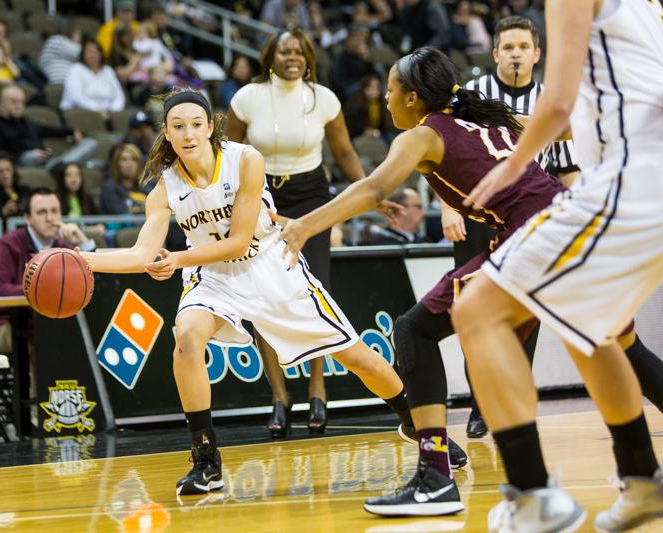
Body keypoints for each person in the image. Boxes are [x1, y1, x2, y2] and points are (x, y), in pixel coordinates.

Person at [277, 46, 663, 519]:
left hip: (533, 236)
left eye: (393, 90)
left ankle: (438, 476)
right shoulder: (489, 118)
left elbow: (375, 188)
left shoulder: (422, 136)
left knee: (415, 328)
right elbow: (562, 125)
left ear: (415, 99)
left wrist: (305, 225)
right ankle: (633, 476)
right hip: (571, 220)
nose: (390, 99)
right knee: (618, 345)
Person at [79, 88, 462, 497]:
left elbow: (241, 242)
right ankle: (206, 461)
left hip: (269, 264)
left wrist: (175, 259)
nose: (188, 133)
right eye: (178, 127)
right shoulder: (164, 188)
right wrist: (77, 260)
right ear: (167, 134)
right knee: (186, 338)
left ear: (210, 127)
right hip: (210, 275)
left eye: (195, 124)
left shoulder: (246, 159)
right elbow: (141, 253)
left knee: (358, 359)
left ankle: (417, 424)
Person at [453, 0, 663, 531]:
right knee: (589, 326)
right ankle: (642, 483)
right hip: (642, 176)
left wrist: (511, 166)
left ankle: (532, 498)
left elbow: (558, 103)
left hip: (628, 180)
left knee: (477, 311)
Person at [225, 29, 370, 437]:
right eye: (285, 50)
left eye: (300, 51)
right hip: (261, 195)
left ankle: (318, 390)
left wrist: (371, 195)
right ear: (270, 57)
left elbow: (343, 153)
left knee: (314, 292)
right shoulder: (247, 98)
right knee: (264, 295)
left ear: (309, 57)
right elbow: (228, 156)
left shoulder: (324, 98)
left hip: (311, 195)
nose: (293, 57)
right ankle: (279, 397)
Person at [450, 14, 580, 439]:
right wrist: (447, 206)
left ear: (537, 53)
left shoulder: (551, 101)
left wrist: (575, 214)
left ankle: (514, 401)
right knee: (471, 310)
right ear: (495, 54)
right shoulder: (472, 95)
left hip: (531, 219)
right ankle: (479, 403)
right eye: (508, 47)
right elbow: (440, 151)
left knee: (527, 314)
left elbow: (567, 169)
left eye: (523, 47)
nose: (516, 54)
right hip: (477, 216)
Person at [0, 188, 96, 354]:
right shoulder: (9, 244)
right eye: (41, 212)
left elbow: (93, 281)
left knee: (84, 334)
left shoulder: (64, 246)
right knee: (40, 336)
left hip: (52, 322)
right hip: (5, 324)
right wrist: (43, 290)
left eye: (54, 211)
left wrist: (82, 242)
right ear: (27, 218)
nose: (50, 218)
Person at [0, 85, 97, 170]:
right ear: (0, 104)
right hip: (21, 166)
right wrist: (25, 154)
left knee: (90, 143)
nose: (19, 106)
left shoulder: (27, 123)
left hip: (46, 163)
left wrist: (72, 131)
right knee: (30, 157)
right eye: (13, 102)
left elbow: (50, 130)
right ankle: (62, 168)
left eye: (21, 102)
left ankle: (61, 167)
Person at [60, 39, 126, 119]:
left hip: (108, 113)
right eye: (89, 52)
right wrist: (97, 110)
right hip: (80, 112)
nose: (93, 55)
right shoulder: (76, 69)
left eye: (96, 51)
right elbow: (76, 96)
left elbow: (119, 95)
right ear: (83, 54)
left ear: (101, 54)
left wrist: (114, 111)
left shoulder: (108, 70)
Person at [365, 188, 429, 245]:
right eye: (419, 207)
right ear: (401, 208)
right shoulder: (381, 243)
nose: (424, 213)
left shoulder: (424, 241)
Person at [100, 143, 147, 215]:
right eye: (124, 160)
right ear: (117, 164)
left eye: (134, 159)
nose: (129, 164)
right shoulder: (109, 188)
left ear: (139, 164)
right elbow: (119, 214)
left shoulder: (145, 188)